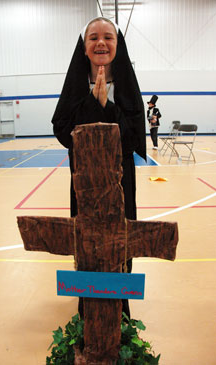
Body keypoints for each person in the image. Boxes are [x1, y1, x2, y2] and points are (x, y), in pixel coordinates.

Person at [51, 17, 146, 319]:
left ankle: (122, 311)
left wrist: (107, 106)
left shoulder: (127, 87)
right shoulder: (76, 86)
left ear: (118, 45)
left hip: (121, 181)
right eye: (93, 38)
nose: (101, 43)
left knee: (122, 239)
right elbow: (63, 130)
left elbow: (132, 136)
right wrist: (93, 102)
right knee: (87, 241)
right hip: (85, 180)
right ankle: (87, 308)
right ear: (84, 46)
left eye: (108, 37)